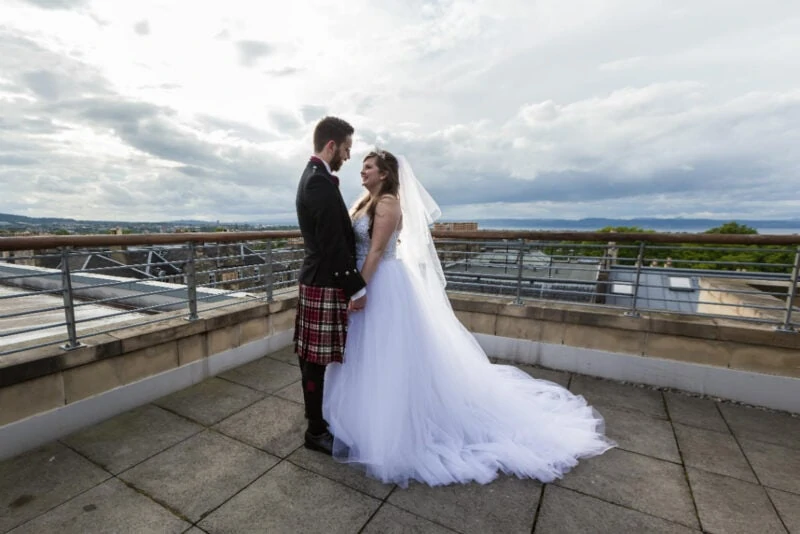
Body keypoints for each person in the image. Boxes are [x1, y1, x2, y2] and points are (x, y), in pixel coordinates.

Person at [323, 149, 615, 487]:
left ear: (384, 174)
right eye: (362, 167)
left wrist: (359, 289)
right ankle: (362, 417)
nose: (362, 172)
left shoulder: (387, 204)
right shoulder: (366, 201)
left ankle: (391, 425)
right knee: (364, 354)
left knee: (386, 355)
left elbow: (375, 250)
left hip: (381, 282)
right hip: (367, 277)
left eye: (368, 167)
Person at [294, 116, 367, 455]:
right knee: (314, 361)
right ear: (332, 145)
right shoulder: (318, 183)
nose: (349, 157)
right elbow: (332, 244)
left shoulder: (316, 178)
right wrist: (356, 287)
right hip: (323, 281)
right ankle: (315, 431)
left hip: (319, 279)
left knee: (315, 359)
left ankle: (317, 423)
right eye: (347, 149)